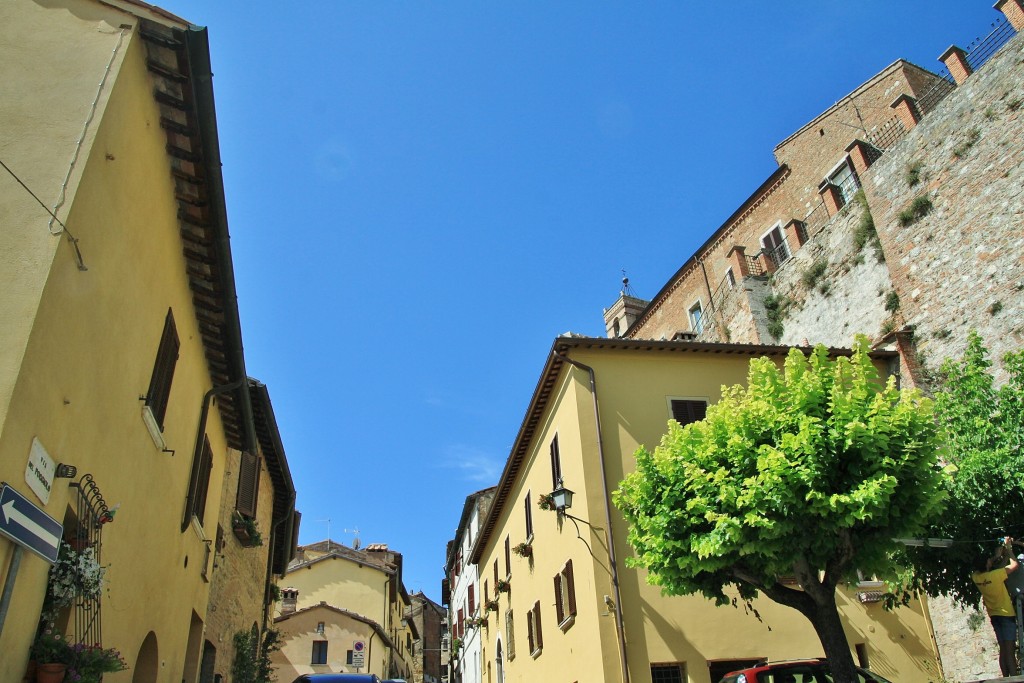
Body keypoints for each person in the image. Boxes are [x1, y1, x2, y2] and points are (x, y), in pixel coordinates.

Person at [973, 536, 1020, 677]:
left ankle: (1006, 677)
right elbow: (1014, 565)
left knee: (1003, 649)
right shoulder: (995, 575)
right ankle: (1014, 678)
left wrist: (998, 556)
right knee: (1010, 649)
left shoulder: (976, 577)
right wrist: (1009, 548)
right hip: (1006, 614)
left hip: (994, 616)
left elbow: (995, 568)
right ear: (987, 564)